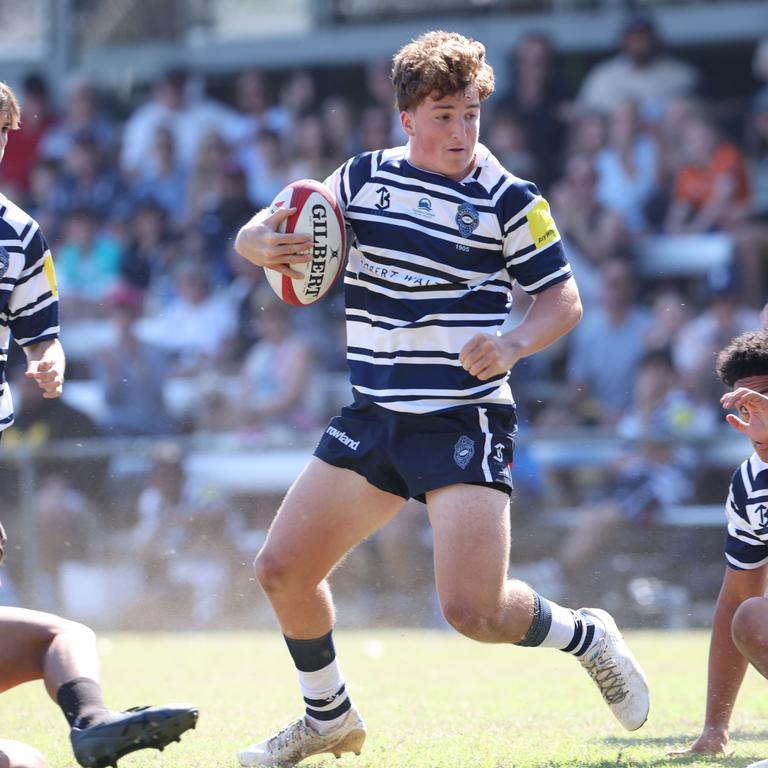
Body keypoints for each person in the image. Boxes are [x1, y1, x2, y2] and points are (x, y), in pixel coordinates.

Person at [234, 30, 650, 768]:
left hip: (465, 413)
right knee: (282, 569)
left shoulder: (511, 198)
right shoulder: (361, 178)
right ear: (407, 118)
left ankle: (586, 635)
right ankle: (327, 716)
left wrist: (516, 342)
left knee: (474, 612)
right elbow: (270, 224)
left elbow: (564, 300)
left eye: (471, 114)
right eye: (444, 115)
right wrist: (258, 240)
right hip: (375, 412)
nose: (462, 132)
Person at [0, 79, 199, 768]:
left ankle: (92, 724)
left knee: (68, 638)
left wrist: (47, 360)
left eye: (2, 134)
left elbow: (39, 330)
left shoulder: (19, 234)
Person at [667, 329, 768, 768]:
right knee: (752, 618)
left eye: (766, 399)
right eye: (745, 404)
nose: (756, 415)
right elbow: (735, 601)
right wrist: (715, 727)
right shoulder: (748, 484)